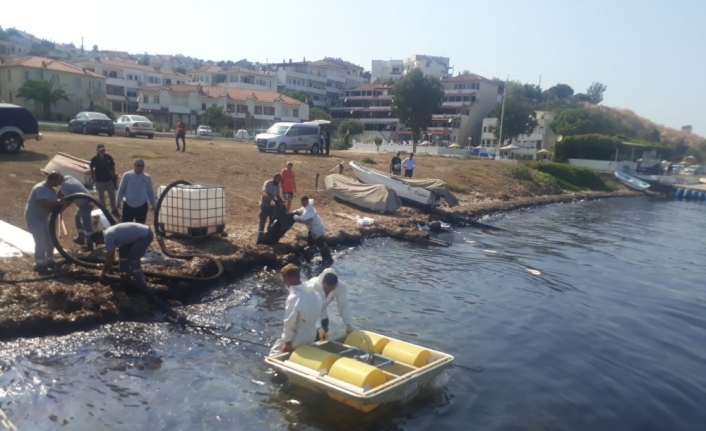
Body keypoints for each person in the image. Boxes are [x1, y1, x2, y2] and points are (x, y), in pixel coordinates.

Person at [269, 264, 323, 356]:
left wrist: (288, 341)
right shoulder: (314, 292)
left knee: (275, 355)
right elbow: (318, 312)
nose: (284, 281)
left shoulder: (295, 297)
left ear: (293, 277)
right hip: (312, 334)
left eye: (285, 278)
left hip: (299, 336)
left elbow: (289, 322)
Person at [24, 172, 68, 273]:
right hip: (33, 218)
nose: (60, 183)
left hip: (44, 218)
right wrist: (58, 203)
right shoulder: (39, 188)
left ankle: (49, 260)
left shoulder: (53, 191)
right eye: (58, 181)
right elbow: (42, 203)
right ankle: (39, 263)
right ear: (52, 180)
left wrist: (61, 205)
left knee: (50, 239)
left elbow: (52, 206)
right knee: (40, 240)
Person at [91, 223, 154, 289]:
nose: (101, 244)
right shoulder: (108, 231)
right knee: (122, 250)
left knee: (133, 259)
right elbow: (111, 256)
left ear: (99, 239)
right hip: (144, 231)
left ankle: (141, 283)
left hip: (145, 235)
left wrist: (103, 273)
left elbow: (109, 258)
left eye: (99, 242)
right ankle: (126, 273)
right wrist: (109, 267)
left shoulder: (108, 237)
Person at [309, 268, 353, 340]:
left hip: (322, 313)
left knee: (322, 337)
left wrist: (348, 323)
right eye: (326, 289)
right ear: (323, 282)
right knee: (308, 339)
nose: (328, 291)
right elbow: (312, 309)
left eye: (331, 289)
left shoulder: (340, 287)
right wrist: (319, 328)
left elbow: (343, 305)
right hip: (307, 314)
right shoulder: (313, 286)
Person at [116, 158, 157, 224]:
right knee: (126, 226)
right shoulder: (127, 176)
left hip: (142, 206)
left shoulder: (147, 178)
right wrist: (118, 201)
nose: (141, 167)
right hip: (128, 205)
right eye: (139, 165)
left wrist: (154, 204)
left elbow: (150, 192)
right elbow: (121, 189)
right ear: (134, 165)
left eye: (142, 166)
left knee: (140, 226)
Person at [58, 175, 93, 251]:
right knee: (77, 218)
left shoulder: (64, 187)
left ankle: (90, 244)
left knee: (86, 224)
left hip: (85, 204)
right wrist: (57, 197)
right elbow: (61, 191)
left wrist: (61, 210)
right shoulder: (68, 177)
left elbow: (69, 201)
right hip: (87, 199)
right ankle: (81, 237)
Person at [90, 143, 119, 217]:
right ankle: (104, 210)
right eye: (101, 150)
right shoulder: (94, 159)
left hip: (108, 179)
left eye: (103, 150)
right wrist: (93, 178)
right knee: (101, 196)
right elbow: (92, 169)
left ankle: (114, 209)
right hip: (99, 180)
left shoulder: (109, 157)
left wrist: (113, 174)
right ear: (97, 150)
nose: (102, 151)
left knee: (112, 195)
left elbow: (113, 166)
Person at [258, 173, 283, 240]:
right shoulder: (267, 183)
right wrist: (272, 199)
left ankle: (269, 233)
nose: (278, 182)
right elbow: (264, 193)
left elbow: (277, 195)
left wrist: (281, 202)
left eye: (279, 180)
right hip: (264, 205)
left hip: (272, 206)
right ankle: (260, 234)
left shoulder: (277, 186)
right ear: (274, 178)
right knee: (263, 219)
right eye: (278, 180)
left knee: (272, 220)